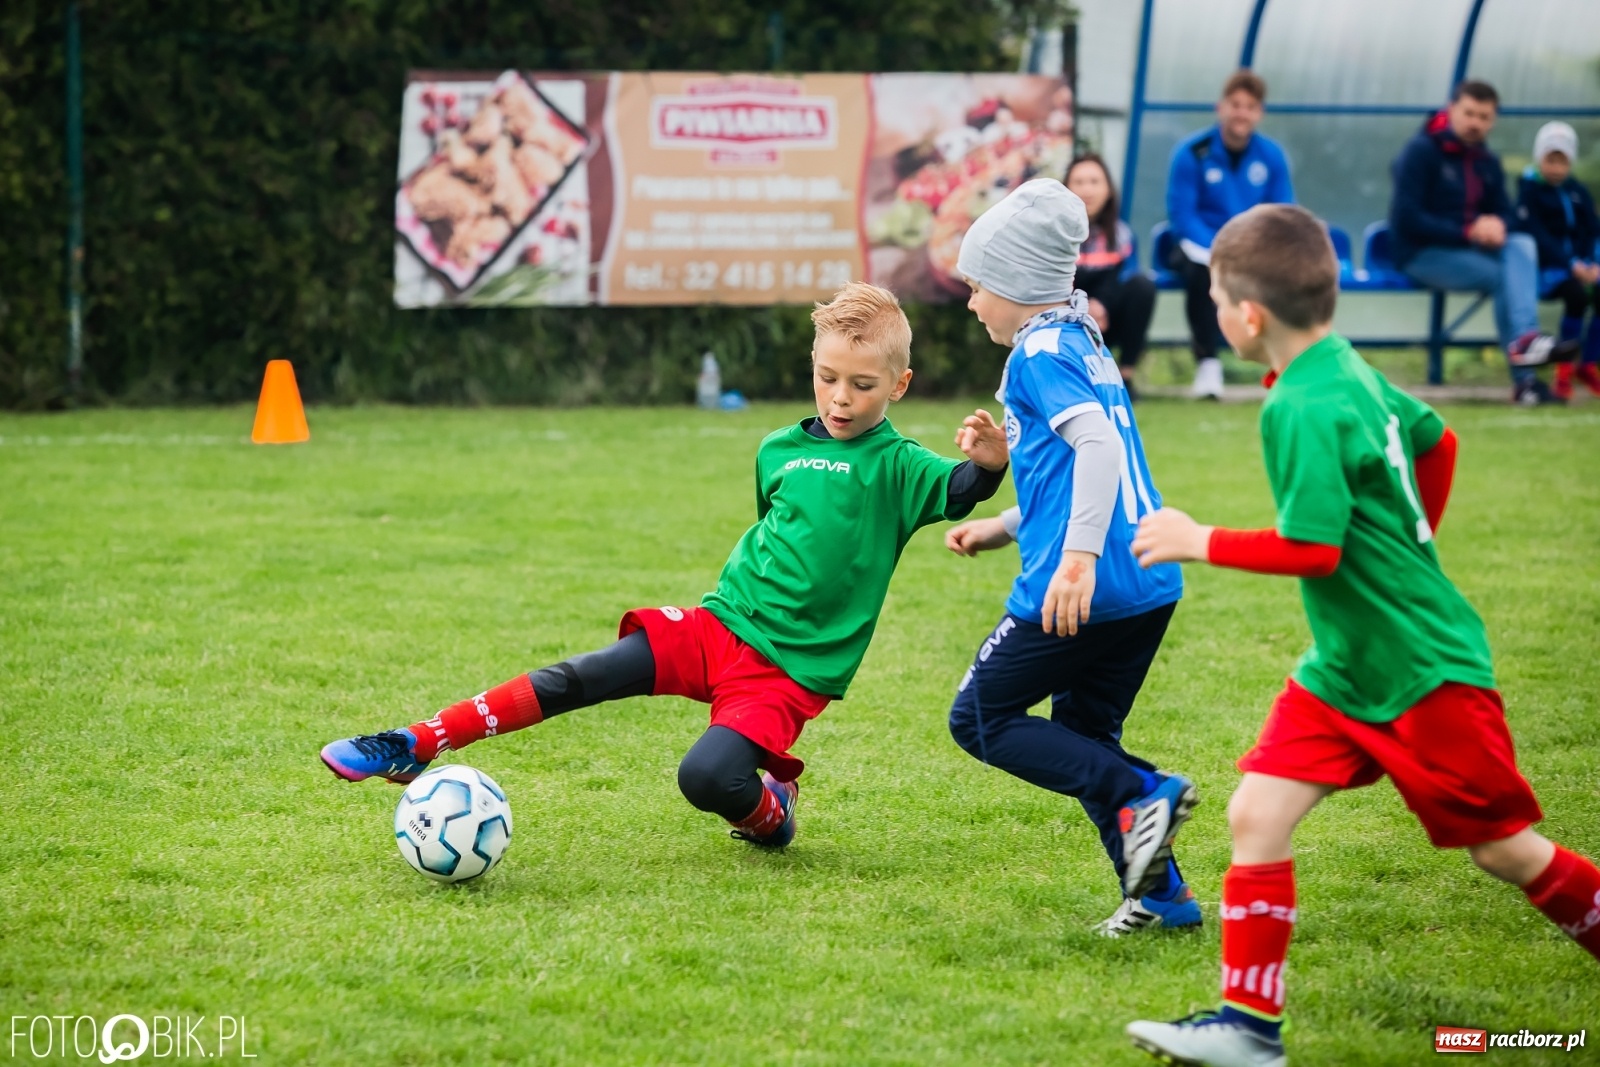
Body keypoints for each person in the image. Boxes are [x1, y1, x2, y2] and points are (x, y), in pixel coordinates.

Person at [1123, 204, 1600, 1067]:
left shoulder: (1298, 407)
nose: (1217, 310)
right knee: (1256, 811)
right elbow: (1439, 441)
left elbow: (1315, 547)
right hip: (1345, 666)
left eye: (1217, 298)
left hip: (1422, 668)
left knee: (1507, 850)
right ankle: (1247, 1029)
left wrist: (1199, 540)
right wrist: (1416, 544)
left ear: (1249, 315)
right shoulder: (1346, 365)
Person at [320, 282, 1011, 849]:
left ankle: (772, 809)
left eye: (862, 385)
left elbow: (959, 491)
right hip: (721, 623)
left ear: (899, 384)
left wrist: (988, 466)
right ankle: (420, 738)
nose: (839, 397)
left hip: (788, 671)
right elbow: (772, 520)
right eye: (827, 377)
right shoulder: (778, 448)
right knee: (584, 673)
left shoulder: (899, 466)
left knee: (707, 778)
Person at [943, 179, 1198, 937]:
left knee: (981, 717)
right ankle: (1163, 895)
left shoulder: (1038, 353)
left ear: (1019, 282)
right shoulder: (1080, 337)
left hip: (1091, 582)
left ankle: (1144, 792)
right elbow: (1077, 465)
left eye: (978, 283)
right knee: (1084, 735)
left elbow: (1097, 445)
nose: (971, 301)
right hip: (1148, 578)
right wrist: (1008, 524)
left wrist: (1076, 558)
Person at [1390, 80, 1578, 405]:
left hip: (1472, 253)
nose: (1475, 122)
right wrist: (1468, 231)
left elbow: (1509, 213)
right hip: (1421, 254)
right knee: (1505, 276)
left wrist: (1498, 225)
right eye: (1469, 113)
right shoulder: (1420, 152)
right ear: (1452, 110)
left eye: (1484, 116)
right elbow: (1407, 219)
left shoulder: (1486, 162)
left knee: (1520, 243)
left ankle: (1526, 346)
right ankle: (1526, 378)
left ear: (1493, 120)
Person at [1166, 70, 1294, 400]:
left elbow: (1280, 213)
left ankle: (1286, 365)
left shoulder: (1272, 156)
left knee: (1290, 273)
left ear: (1259, 113)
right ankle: (1208, 364)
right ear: (1220, 107)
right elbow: (1183, 216)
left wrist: (1252, 249)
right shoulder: (1192, 152)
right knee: (1201, 273)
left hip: (1252, 248)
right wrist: (1221, 250)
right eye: (1235, 104)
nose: (1241, 112)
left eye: (1250, 106)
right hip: (1199, 247)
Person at [1516, 120, 1600, 401]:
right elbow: (1538, 236)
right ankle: (1563, 369)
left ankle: (1587, 364)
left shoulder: (1577, 191)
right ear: (1540, 158)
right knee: (1576, 297)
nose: (1556, 168)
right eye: (1550, 160)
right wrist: (1570, 264)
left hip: (1580, 266)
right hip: (1547, 271)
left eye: (1562, 160)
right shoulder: (1529, 191)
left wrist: (1590, 262)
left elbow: (1591, 229)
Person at [1065, 155, 1157, 399]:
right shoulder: (1056, 235)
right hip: (1068, 318)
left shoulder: (1123, 235)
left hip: (1109, 320)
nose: (1087, 189)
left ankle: (1125, 378)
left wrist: (1102, 306)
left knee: (1143, 287)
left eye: (1095, 181)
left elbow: (1126, 276)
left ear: (1108, 189)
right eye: (1079, 181)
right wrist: (1083, 308)